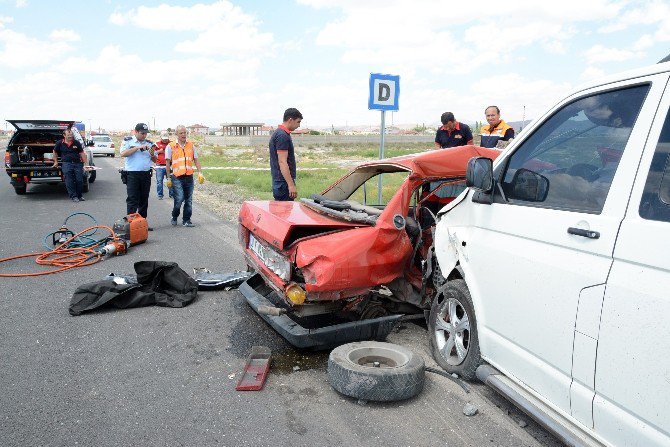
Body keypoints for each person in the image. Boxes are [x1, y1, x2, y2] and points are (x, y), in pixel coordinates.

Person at [165, 125, 204, 227]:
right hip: (176, 177)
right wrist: (168, 178)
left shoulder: (191, 145)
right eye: (181, 133)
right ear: (176, 134)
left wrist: (200, 172)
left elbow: (196, 160)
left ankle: (186, 220)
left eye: (184, 133)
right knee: (179, 199)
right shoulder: (170, 146)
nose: (183, 135)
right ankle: (174, 216)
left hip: (189, 177)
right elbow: (168, 163)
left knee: (189, 199)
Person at [121, 123, 156, 229]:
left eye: (146, 134)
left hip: (145, 174)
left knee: (144, 199)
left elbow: (155, 160)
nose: (144, 136)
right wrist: (137, 148)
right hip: (132, 174)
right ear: (135, 132)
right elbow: (123, 153)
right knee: (132, 199)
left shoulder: (149, 143)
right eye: (142, 133)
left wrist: (152, 153)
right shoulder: (128, 141)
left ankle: (142, 223)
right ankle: (130, 224)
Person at [269, 108, 302, 201]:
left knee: (282, 213)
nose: (299, 125)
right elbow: (282, 162)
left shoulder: (280, 133)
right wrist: (291, 185)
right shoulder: (282, 136)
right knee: (284, 214)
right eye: (298, 122)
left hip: (281, 182)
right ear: (290, 120)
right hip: (283, 184)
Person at [52, 128, 88, 202]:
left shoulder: (76, 143)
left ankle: (79, 196)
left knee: (79, 180)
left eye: (71, 134)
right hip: (66, 164)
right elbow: (55, 152)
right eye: (68, 135)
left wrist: (86, 164)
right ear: (64, 135)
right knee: (69, 181)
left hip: (77, 164)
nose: (70, 136)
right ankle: (73, 196)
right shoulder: (59, 143)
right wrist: (55, 162)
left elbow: (82, 153)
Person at [153, 131, 172, 200]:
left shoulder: (171, 144)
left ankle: (171, 194)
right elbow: (152, 153)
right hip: (159, 166)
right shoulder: (156, 144)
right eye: (164, 138)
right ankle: (160, 195)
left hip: (169, 165)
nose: (165, 140)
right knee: (159, 181)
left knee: (170, 180)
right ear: (161, 137)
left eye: (166, 138)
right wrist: (159, 151)